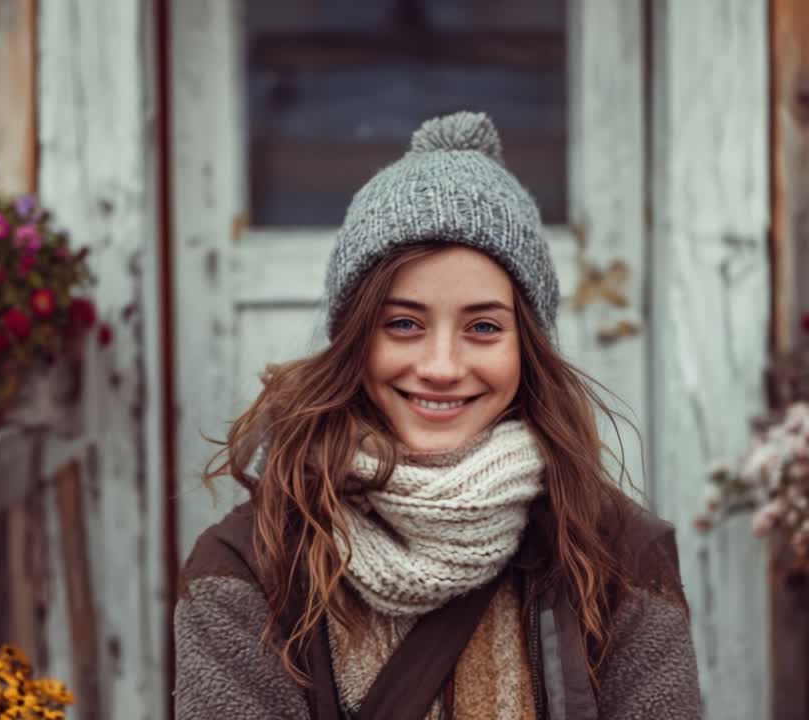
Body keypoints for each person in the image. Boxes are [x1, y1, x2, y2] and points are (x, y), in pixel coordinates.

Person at [174, 111, 701, 719]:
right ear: (353, 340)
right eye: (403, 323)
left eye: (483, 327)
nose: (442, 366)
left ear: (526, 348)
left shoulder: (616, 557)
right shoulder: (249, 565)